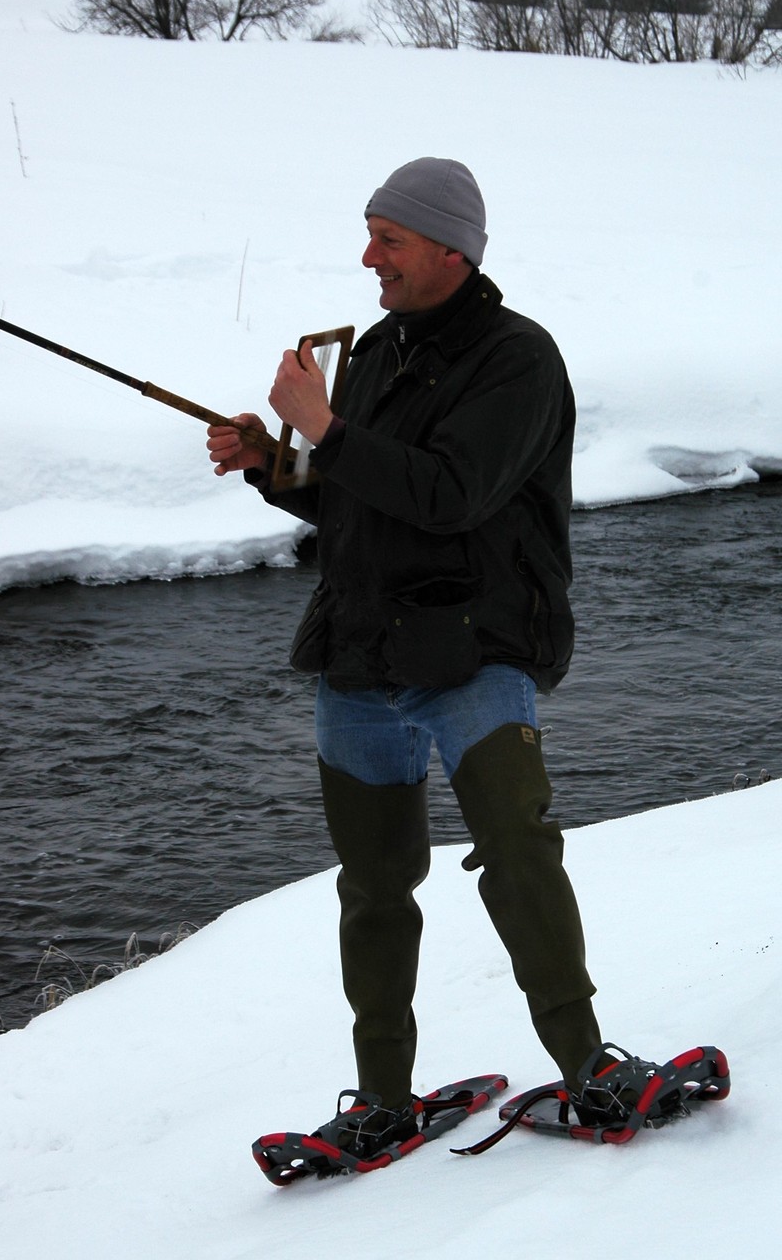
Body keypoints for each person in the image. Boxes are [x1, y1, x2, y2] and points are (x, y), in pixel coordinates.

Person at [207, 158, 609, 1150]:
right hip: (359, 654)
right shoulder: (380, 349)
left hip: (477, 651)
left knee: (517, 855)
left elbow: (449, 493)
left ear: (450, 249)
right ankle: (384, 1100)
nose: (368, 256)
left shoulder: (521, 360)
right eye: (369, 232)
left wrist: (326, 428)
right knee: (374, 886)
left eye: (387, 237)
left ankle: (592, 1069)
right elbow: (360, 494)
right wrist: (276, 464)